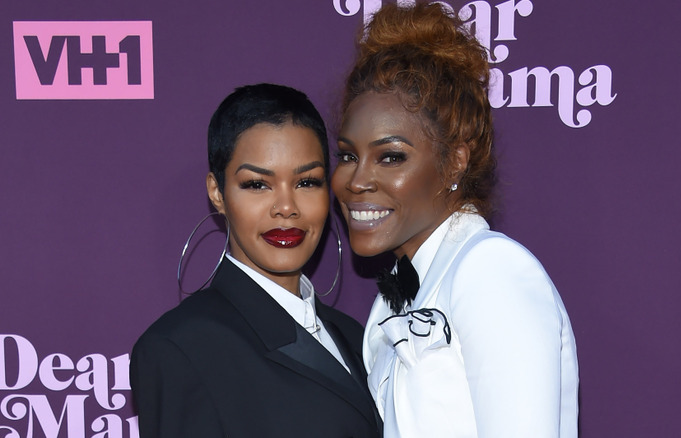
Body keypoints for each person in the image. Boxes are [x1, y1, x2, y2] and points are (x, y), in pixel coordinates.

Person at [331, 4, 578, 438]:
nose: (357, 180)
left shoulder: (491, 270)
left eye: (391, 157)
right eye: (348, 156)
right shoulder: (391, 301)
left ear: (455, 162)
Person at [131, 84, 381, 438]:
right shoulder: (180, 348)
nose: (286, 207)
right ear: (217, 193)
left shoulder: (356, 336)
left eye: (307, 182)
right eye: (257, 185)